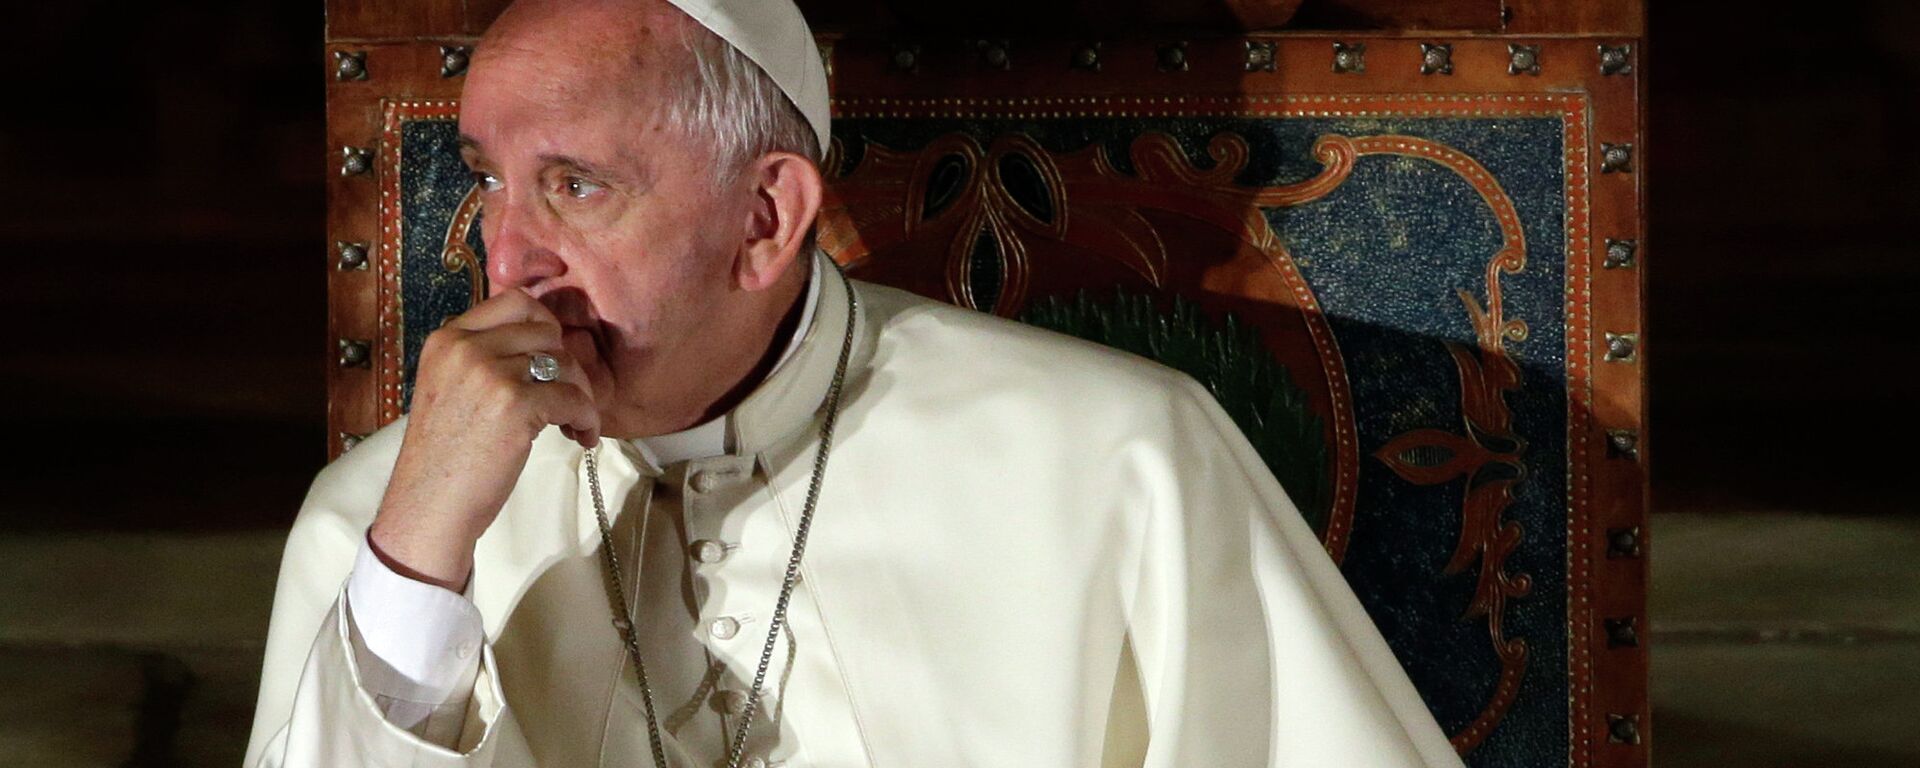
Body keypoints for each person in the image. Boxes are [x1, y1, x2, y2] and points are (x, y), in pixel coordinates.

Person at [244, 0, 1465, 765]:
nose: (505, 258)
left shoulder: (1117, 461)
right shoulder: (381, 516)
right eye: (488, 182)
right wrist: (418, 558)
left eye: (575, 186)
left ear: (767, 218)